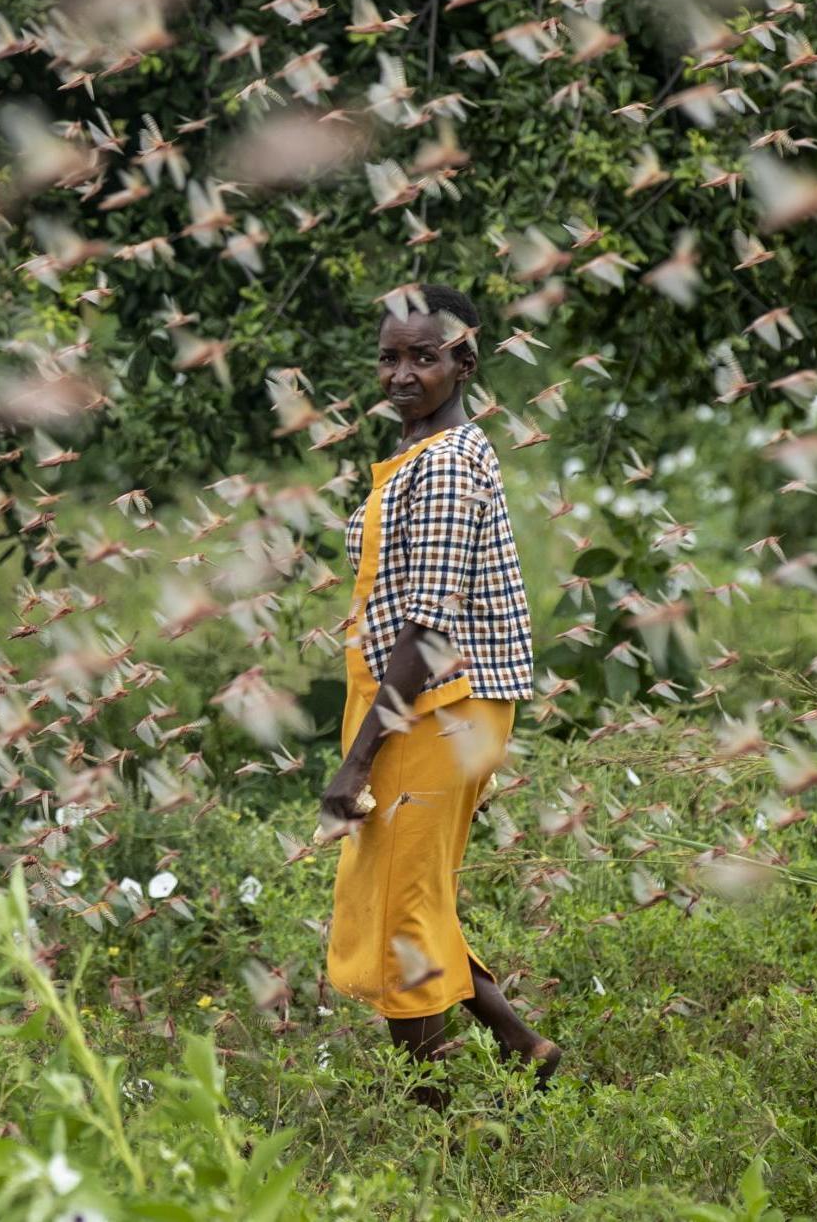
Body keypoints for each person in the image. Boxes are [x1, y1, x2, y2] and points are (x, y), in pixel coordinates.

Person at [320, 281, 561, 1103]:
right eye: (388, 357)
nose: (401, 374)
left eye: (423, 357)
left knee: (399, 915)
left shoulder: (449, 468)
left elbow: (427, 628)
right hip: (416, 707)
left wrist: (355, 764)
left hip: (437, 711)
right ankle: (519, 1046)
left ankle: (434, 1127)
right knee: (413, 893)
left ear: (464, 360)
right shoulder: (417, 460)